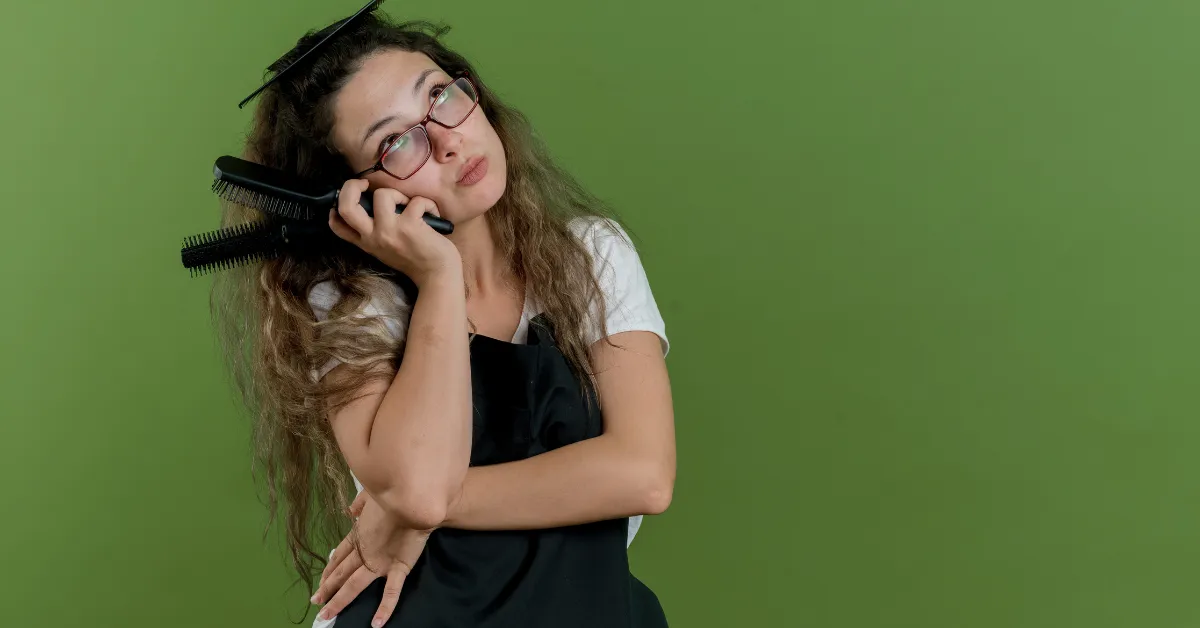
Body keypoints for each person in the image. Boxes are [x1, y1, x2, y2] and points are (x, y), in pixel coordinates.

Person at [210, 8, 676, 628]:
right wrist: (439, 277)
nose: (448, 140)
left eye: (440, 95)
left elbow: (643, 474)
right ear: (356, 198)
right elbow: (421, 489)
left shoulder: (591, 256)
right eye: (395, 143)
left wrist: (404, 514)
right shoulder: (351, 305)